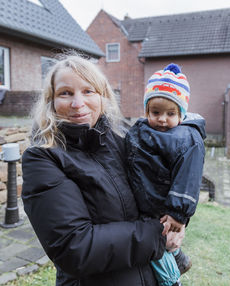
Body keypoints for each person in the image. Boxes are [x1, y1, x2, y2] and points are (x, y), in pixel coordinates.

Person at [21, 54, 171, 286]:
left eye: (88, 91)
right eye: (65, 93)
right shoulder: (43, 158)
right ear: (51, 101)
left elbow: (156, 197)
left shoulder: (121, 141)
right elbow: (74, 247)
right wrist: (158, 235)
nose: (78, 103)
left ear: (103, 97)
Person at [125, 63, 206, 286]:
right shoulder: (140, 131)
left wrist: (178, 212)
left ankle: (173, 280)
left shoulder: (186, 139)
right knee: (160, 246)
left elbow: (188, 177)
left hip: (163, 209)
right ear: (146, 111)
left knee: (158, 250)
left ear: (182, 114)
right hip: (145, 203)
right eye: (156, 112)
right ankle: (179, 259)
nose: (162, 119)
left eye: (170, 113)